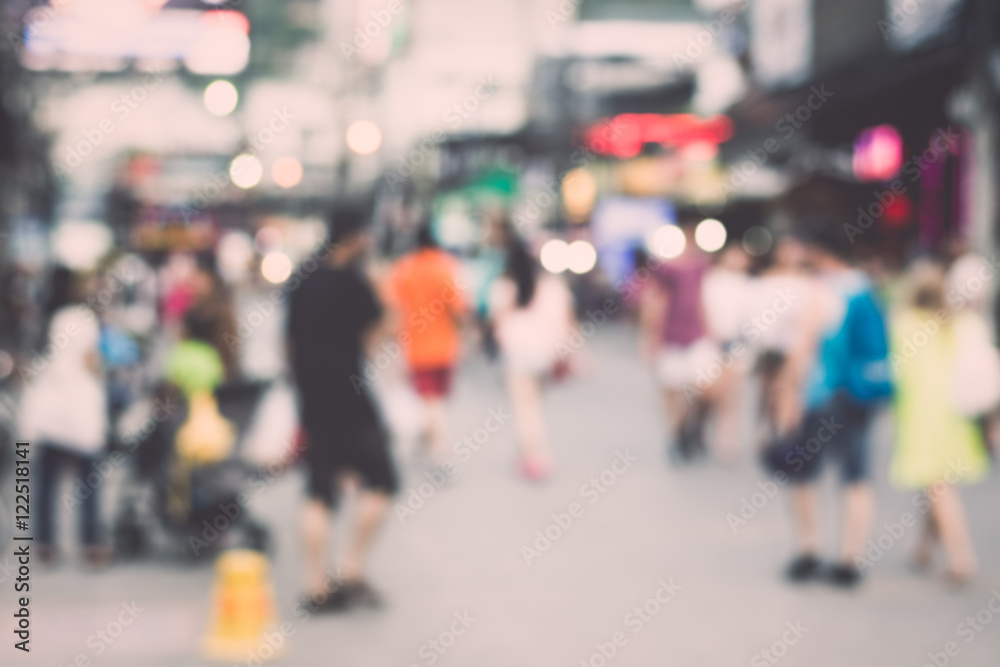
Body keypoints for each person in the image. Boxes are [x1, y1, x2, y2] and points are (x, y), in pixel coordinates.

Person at [286, 206, 399, 611]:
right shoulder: (356, 282)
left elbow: (290, 345)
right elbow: (379, 339)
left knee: (319, 489)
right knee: (383, 481)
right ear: (354, 237)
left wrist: (300, 390)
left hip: (312, 396)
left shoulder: (302, 279)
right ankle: (351, 569)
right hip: (350, 396)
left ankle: (315, 585)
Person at [774, 221, 891, 587]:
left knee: (802, 473)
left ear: (816, 251)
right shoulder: (866, 288)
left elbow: (803, 348)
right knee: (855, 476)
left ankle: (810, 549)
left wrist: (786, 396)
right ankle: (850, 558)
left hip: (820, 396)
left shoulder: (820, 290)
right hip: (859, 396)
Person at [889, 260, 991, 584]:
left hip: (922, 417)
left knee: (938, 485)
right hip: (955, 415)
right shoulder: (965, 323)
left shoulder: (905, 322)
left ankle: (961, 557)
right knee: (934, 485)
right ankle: (924, 546)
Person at [19, 267, 110, 567]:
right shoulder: (82, 319)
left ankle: (45, 544)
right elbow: (90, 360)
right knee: (88, 481)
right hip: (79, 410)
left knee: (46, 480)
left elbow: (29, 364)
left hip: (49, 411)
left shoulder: (41, 318)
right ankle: (91, 544)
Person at [488, 233, 573, 480]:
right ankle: (531, 452)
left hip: (516, 355)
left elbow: (495, 323)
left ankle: (534, 455)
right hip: (544, 355)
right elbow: (564, 322)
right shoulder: (552, 286)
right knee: (535, 405)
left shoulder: (503, 286)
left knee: (524, 408)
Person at [386, 222, 466, 465]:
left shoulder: (405, 270)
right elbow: (458, 310)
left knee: (429, 402)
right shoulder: (445, 268)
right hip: (445, 347)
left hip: (417, 349)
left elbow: (394, 310)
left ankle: (439, 451)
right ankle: (436, 448)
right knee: (436, 402)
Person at [640, 215, 714, 462]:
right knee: (671, 389)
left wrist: (709, 331)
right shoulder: (665, 269)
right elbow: (654, 301)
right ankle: (676, 434)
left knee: (700, 388)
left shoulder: (700, 266)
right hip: (671, 337)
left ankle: (688, 428)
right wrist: (650, 337)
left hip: (694, 337)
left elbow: (702, 299)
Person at [700, 244, 752, 463]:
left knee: (732, 394)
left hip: (736, 342)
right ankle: (704, 430)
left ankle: (727, 436)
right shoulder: (712, 280)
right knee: (710, 392)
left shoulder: (747, 284)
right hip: (712, 342)